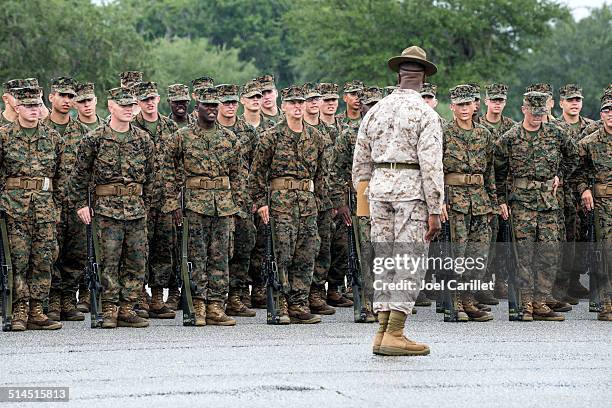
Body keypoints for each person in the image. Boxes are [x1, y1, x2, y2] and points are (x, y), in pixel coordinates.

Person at [353, 45, 443, 356]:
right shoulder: (427, 114)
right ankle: (395, 332)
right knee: (408, 261)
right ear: (422, 79)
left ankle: (381, 331)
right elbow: (431, 166)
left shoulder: (375, 111)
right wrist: (435, 210)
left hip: (378, 190)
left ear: (399, 76)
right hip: (411, 193)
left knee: (385, 261)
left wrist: (363, 206)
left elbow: (360, 162)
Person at [69, 86, 156, 329]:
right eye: (123, 105)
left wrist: (144, 205)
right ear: (111, 106)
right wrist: (81, 205)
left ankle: (128, 307)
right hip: (106, 210)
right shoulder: (94, 139)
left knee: (136, 260)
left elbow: (151, 178)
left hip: (136, 210)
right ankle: (109, 308)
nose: (129, 110)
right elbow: (78, 176)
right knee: (108, 260)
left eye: (131, 106)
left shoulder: (143, 139)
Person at [163, 86, 247, 327]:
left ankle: (216, 306)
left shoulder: (229, 139)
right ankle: (197, 304)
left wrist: (237, 204)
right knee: (196, 257)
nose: (211, 110)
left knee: (220, 257)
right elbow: (167, 169)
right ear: (197, 107)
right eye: (206, 105)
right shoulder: (182, 136)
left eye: (214, 106)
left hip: (222, 206)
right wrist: (173, 202)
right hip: (194, 205)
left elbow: (239, 173)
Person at [495, 90, 579, 321]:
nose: (537, 117)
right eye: (533, 113)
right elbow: (498, 172)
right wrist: (501, 200)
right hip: (521, 203)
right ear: (523, 110)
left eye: (541, 113)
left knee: (549, 253)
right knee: (524, 255)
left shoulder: (556, 133)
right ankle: (526, 303)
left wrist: (560, 175)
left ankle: (541, 302)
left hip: (548, 202)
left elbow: (574, 156)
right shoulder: (509, 138)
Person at [249, 84, 328, 324]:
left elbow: (322, 175)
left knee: (306, 253)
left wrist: (322, 206)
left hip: (307, 203)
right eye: (292, 103)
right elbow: (256, 175)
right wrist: (261, 203)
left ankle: (299, 303)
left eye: (300, 103)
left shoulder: (316, 138)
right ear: (283, 106)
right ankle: (281, 303)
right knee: (282, 253)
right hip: (280, 202)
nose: (297, 107)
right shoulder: (270, 136)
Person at [0, 86, 65, 331]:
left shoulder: (53, 139)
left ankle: (37, 310)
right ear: (17, 108)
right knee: (18, 260)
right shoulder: (4, 136)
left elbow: (60, 179)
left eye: (37, 105)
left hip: (44, 210)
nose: (33, 110)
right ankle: (19, 310)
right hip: (14, 209)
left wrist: (56, 209)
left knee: (44, 259)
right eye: (28, 106)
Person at [441, 84, 496, 322]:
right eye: (459, 105)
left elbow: (491, 171)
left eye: (468, 104)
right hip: (454, 200)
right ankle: (454, 303)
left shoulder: (484, 134)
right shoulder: (443, 132)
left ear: (475, 105)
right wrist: (438, 201)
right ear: (452, 106)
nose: (464, 109)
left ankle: (469, 300)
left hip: (480, 200)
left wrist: (493, 202)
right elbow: (435, 170)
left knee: (479, 253)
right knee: (457, 254)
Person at [44, 77, 90, 322]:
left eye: (71, 96)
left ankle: (67, 299)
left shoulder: (82, 132)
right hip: (47, 203)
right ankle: (52, 300)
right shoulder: (41, 127)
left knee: (75, 253)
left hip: (75, 204)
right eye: (62, 95)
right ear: (51, 97)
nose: (67, 101)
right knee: (51, 252)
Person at [132, 81, 179, 319]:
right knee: (139, 249)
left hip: (165, 199)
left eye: (152, 99)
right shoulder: (132, 127)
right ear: (137, 103)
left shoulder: (170, 127)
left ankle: (158, 295)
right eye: (144, 100)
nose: (149, 104)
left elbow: (180, 163)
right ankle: (139, 295)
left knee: (163, 248)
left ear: (159, 99)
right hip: (139, 200)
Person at [216, 83, 258, 317]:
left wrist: (253, 197)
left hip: (241, 199)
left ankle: (236, 296)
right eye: (226, 102)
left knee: (243, 246)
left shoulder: (248, 132)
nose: (230, 106)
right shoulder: (209, 129)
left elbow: (256, 167)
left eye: (233, 102)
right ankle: (215, 298)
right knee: (219, 250)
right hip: (214, 198)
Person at [575, 91, 612, 321]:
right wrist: (584, 189)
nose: (611, 114)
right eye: (607, 110)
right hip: (602, 204)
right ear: (601, 115)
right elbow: (576, 172)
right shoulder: (589, 143)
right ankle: (607, 304)